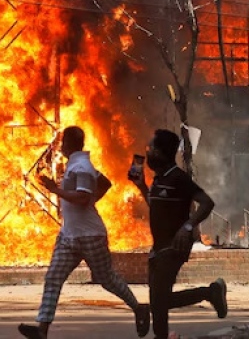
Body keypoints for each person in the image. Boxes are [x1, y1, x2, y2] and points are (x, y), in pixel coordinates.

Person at [19, 126, 151, 339]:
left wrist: (56, 190)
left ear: (67, 144)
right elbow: (104, 183)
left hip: (90, 236)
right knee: (53, 278)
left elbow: (81, 198)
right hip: (69, 236)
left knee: (107, 279)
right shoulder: (78, 164)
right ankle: (42, 330)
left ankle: (139, 308)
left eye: (63, 142)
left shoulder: (81, 167)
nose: (60, 146)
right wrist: (92, 199)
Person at [129, 128, 228, 339]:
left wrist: (188, 227)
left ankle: (162, 334)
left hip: (174, 246)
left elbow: (207, 203)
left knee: (159, 301)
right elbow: (156, 206)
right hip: (158, 247)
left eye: (151, 148)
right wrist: (142, 187)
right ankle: (210, 293)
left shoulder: (178, 178)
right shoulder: (158, 179)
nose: (148, 152)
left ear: (162, 152)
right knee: (159, 300)